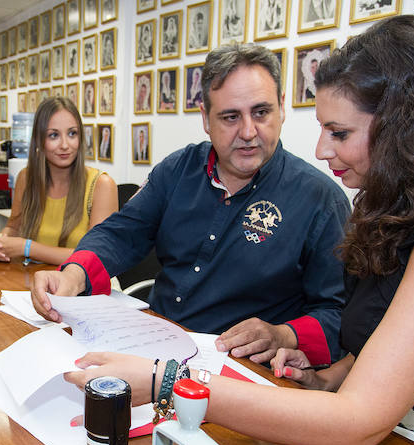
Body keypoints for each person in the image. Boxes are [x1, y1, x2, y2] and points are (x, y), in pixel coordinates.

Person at [64, 15, 414, 445]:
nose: (320, 148)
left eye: (339, 132)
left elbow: (356, 423)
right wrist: (330, 379)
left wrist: (167, 382)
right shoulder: (400, 212)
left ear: (405, 129)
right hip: (389, 440)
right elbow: (386, 346)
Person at [32, 42, 350, 367]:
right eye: (230, 117)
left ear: (281, 108)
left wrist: (286, 335)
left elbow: (340, 315)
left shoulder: (320, 201)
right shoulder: (178, 170)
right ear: (205, 119)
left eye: (261, 112)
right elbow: (120, 233)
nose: (248, 131)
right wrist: (74, 274)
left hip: (241, 372)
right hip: (152, 346)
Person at [0, 97, 117, 266]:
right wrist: (2, 243)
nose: (65, 145)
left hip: (89, 289)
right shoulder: (25, 178)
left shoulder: (102, 185)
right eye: (54, 135)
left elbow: (95, 257)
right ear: (39, 141)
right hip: (35, 282)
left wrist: (28, 248)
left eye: (72, 133)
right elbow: (14, 227)